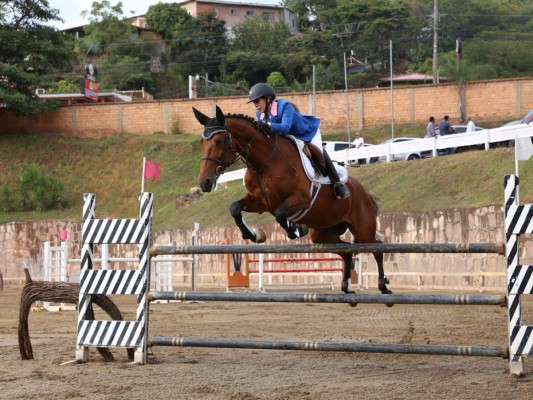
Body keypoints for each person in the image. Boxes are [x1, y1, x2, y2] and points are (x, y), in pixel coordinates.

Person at [247, 83, 349, 199]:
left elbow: (285, 127)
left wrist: (267, 125)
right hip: (289, 137)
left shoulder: (284, 106)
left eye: (257, 101)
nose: (255, 105)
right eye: (253, 103)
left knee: (318, 152)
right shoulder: (260, 113)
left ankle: (338, 184)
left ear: (268, 98)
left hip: (307, 133)